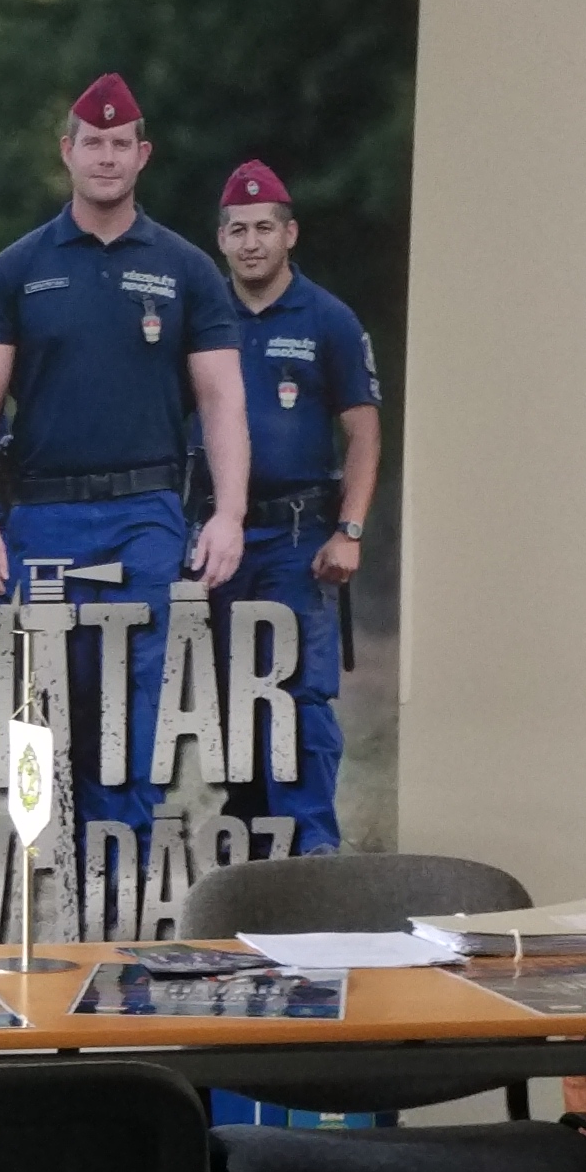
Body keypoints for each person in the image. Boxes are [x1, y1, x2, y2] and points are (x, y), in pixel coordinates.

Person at [0, 77, 247, 908]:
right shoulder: (18, 270)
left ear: (142, 155)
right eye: (93, 142)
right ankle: (45, 874)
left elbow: (223, 400)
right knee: (41, 705)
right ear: (68, 152)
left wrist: (228, 512)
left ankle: (120, 880)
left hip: (145, 515)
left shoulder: (186, 269)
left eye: (121, 144)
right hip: (42, 516)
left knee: (134, 701)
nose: (107, 156)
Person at [209, 156, 382, 852]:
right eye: (238, 229)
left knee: (297, 698)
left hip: (296, 536)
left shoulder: (328, 319)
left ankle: (311, 858)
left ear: (290, 234)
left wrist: (350, 530)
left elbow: (363, 431)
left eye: (264, 228)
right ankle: (249, 858)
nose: (251, 242)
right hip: (213, 538)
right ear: (221, 239)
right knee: (225, 700)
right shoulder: (202, 315)